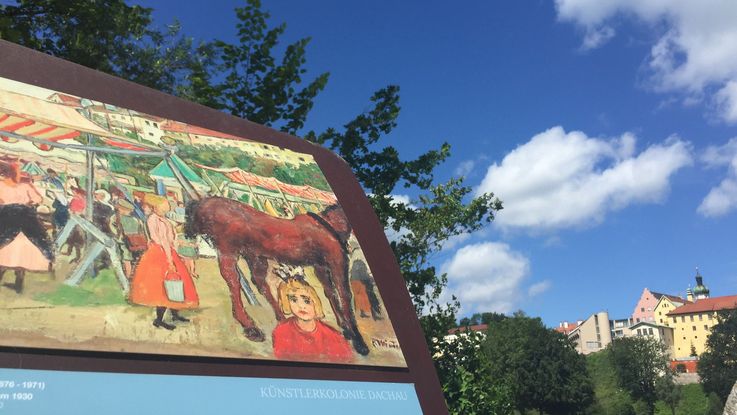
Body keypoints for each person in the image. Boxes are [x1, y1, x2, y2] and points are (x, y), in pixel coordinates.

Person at [129, 194, 199, 330]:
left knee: (177, 283)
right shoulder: (153, 219)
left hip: (169, 251)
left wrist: (176, 249)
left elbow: (172, 238)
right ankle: (159, 320)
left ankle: (174, 313)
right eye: (164, 207)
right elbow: (160, 239)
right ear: (156, 207)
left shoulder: (164, 219)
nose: (166, 209)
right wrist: (169, 258)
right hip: (159, 253)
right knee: (163, 287)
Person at [0, 162, 54, 293]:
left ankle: (11, 280)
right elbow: (38, 199)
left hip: (7, 216)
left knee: (4, 245)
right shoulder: (25, 185)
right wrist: (27, 202)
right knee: (25, 247)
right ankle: (19, 283)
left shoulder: (1, 185)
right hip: (25, 216)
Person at [271, 276, 353, 362]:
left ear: (315, 302)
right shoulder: (281, 332)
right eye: (294, 300)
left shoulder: (334, 337)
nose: (301, 306)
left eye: (306, 301)